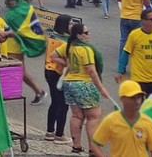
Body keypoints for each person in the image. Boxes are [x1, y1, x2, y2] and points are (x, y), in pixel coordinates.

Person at [53, 22, 108, 154]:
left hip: (70, 84)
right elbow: (91, 71)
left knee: (77, 116)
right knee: (93, 117)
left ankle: (76, 146)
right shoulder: (86, 50)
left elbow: (53, 56)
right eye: (86, 33)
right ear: (79, 35)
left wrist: (68, 63)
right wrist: (101, 88)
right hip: (85, 84)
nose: (88, 36)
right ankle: (93, 149)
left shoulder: (68, 46)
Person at [90, 81, 152, 157]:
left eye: (139, 97)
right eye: (132, 98)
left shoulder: (148, 122)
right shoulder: (111, 120)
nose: (137, 101)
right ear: (122, 99)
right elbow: (95, 144)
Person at [117, 8, 152, 95]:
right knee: (140, 106)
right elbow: (125, 53)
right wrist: (120, 71)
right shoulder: (134, 35)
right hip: (139, 78)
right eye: (151, 19)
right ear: (143, 21)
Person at [43, 14, 71, 143]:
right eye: (70, 24)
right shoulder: (63, 41)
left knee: (55, 102)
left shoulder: (52, 36)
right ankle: (59, 134)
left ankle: (49, 131)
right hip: (58, 73)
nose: (71, 26)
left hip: (49, 71)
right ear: (64, 25)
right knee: (63, 104)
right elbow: (59, 57)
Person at [117, 0, 152, 64]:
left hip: (124, 16)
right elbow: (147, 3)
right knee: (137, 42)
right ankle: (136, 64)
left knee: (123, 41)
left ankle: (122, 64)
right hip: (136, 17)